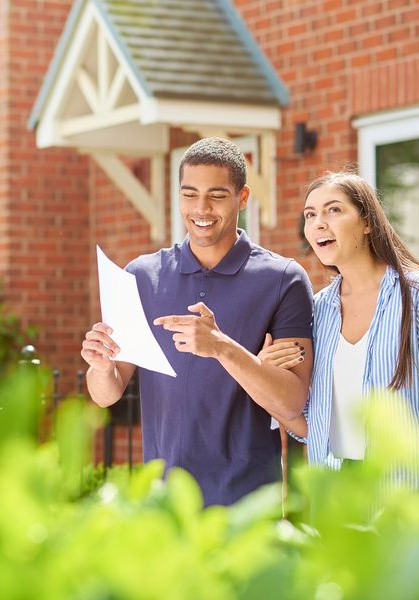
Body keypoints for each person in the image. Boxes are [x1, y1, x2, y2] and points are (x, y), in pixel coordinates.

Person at [81, 137, 313, 506]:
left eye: (216, 195)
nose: (200, 208)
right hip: (162, 502)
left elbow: (290, 404)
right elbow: (106, 394)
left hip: (247, 503)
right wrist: (101, 365)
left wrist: (220, 346)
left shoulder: (283, 279)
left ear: (242, 197)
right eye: (189, 195)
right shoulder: (141, 276)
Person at [259, 171, 419, 470]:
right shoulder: (318, 310)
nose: (319, 222)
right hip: (336, 493)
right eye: (310, 214)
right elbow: (311, 427)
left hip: (405, 492)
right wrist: (267, 375)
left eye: (334, 210)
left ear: (368, 222)